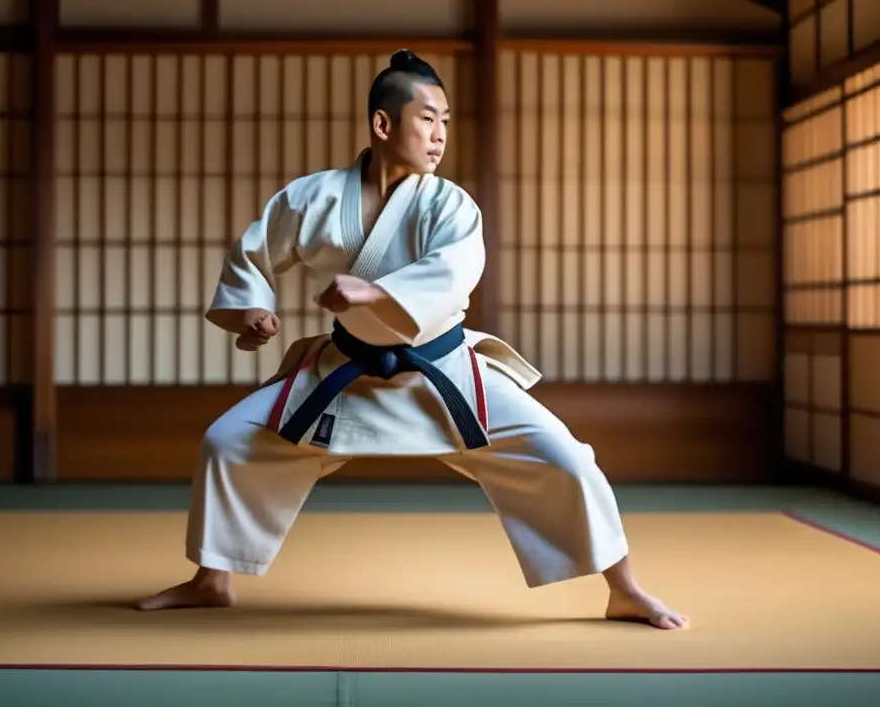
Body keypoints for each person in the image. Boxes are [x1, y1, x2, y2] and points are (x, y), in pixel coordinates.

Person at [135, 50, 689, 631]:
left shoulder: (448, 203)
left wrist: (375, 295)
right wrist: (253, 309)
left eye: (445, 121)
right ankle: (211, 581)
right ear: (383, 124)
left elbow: (456, 270)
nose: (440, 135)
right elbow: (257, 250)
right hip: (344, 374)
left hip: (441, 373)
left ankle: (624, 589)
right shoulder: (314, 196)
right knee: (227, 443)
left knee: (564, 457)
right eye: (428, 118)